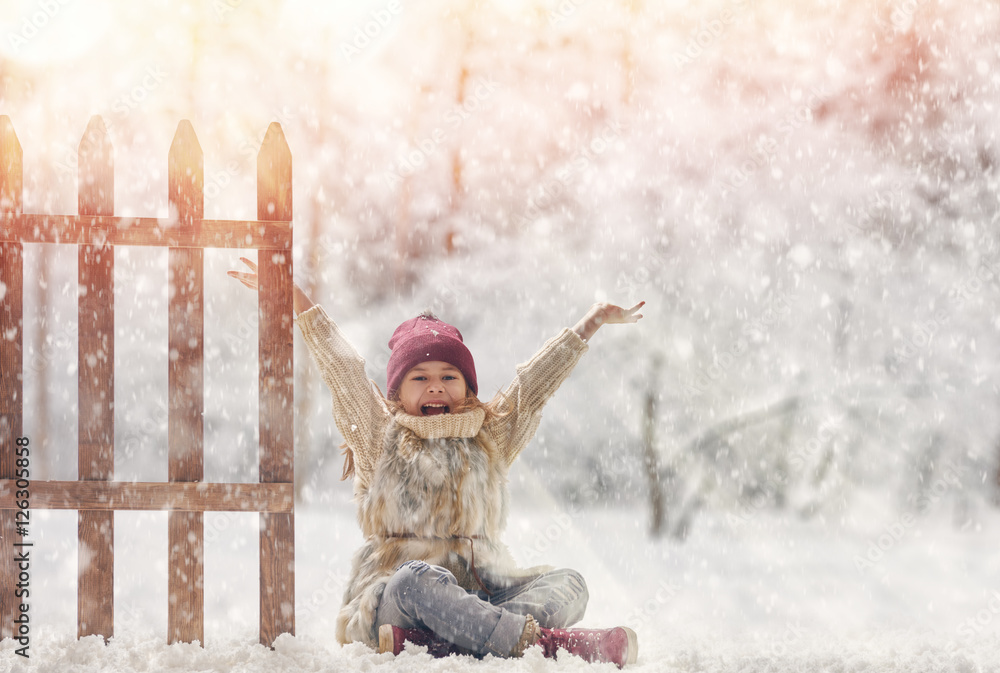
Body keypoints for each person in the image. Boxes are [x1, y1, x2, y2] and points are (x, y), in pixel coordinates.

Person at [229, 258, 644, 667]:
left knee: (571, 584)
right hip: (399, 599)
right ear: (397, 392)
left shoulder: (490, 436)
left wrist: (590, 323)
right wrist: (298, 300)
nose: (435, 387)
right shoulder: (381, 437)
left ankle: (446, 641)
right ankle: (541, 643)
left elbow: (532, 387)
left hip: (487, 592)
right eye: (419, 377)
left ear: (466, 386)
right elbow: (344, 372)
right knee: (415, 580)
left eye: (448, 376)